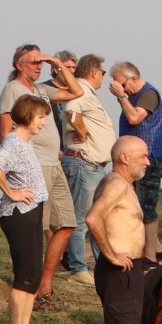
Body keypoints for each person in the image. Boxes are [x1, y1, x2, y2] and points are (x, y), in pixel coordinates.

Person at [85, 136, 157, 324]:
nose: (148, 161)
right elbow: (92, 218)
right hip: (119, 272)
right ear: (124, 157)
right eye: (143, 156)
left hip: (130, 271)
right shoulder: (115, 184)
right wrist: (111, 254)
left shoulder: (120, 184)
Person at [0, 44, 81, 308]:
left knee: (67, 223)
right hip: (34, 167)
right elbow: (4, 132)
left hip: (54, 164)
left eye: (40, 63)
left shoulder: (42, 90)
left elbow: (76, 91)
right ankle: (30, 291)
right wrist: (16, 168)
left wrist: (56, 62)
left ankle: (44, 285)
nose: (38, 66)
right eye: (33, 62)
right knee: (37, 228)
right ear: (19, 64)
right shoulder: (13, 89)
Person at [0, 94, 51, 324]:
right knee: (25, 276)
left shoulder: (25, 143)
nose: (44, 123)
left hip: (32, 212)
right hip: (18, 213)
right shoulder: (14, 142)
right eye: (41, 117)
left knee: (33, 276)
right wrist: (12, 192)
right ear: (27, 117)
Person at [60, 55, 116, 278]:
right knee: (81, 218)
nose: (103, 76)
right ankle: (78, 267)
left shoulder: (87, 92)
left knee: (96, 217)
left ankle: (100, 265)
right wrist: (81, 131)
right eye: (103, 72)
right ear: (94, 72)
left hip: (94, 165)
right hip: (84, 163)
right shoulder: (81, 90)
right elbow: (72, 112)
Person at [108, 60, 162, 261]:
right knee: (135, 205)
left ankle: (149, 257)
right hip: (131, 160)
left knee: (145, 206)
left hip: (147, 158)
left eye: (122, 84)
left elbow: (134, 118)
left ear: (133, 78)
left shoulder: (149, 94)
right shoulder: (132, 96)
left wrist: (122, 97)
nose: (119, 88)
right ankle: (157, 250)